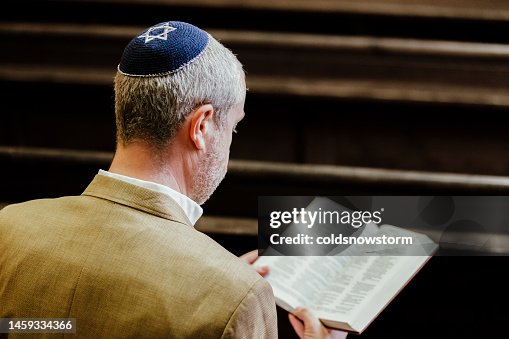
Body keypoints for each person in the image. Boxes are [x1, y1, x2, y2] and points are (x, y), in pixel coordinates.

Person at [0, 21, 344, 338]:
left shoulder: (8, 226)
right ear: (202, 126)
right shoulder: (237, 298)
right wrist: (223, 293)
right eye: (233, 127)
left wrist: (214, 285)